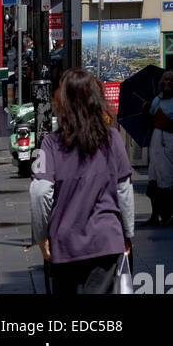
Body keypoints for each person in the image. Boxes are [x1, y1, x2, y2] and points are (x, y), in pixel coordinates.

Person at [30, 68, 134, 294]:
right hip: (105, 240)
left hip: (64, 242)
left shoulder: (50, 144)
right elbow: (124, 190)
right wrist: (127, 234)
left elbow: (39, 193)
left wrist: (41, 236)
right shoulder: (112, 139)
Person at [146, 70, 173, 226]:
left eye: (171, 80)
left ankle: (168, 214)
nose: (167, 83)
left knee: (168, 177)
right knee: (154, 177)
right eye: (165, 80)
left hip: (169, 140)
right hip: (156, 140)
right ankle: (155, 214)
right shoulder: (157, 100)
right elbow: (150, 117)